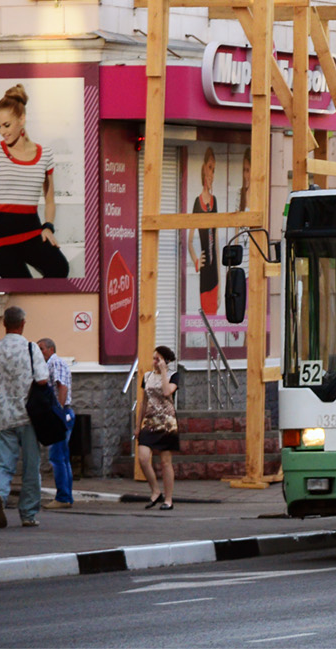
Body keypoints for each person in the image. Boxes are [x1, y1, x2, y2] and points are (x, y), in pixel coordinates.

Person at [0, 85, 70, 278]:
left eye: (6, 125)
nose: (2, 132)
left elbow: (49, 198)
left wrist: (48, 226)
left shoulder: (44, 154)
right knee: (22, 283)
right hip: (0, 235)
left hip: (31, 230)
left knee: (59, 269)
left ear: (21, 120)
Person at [0, 306, 48, 528]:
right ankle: (28, 514)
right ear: (22, 324)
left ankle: (0, 495)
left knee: (3, 464)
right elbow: (42, 380)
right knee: (31, 466)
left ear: (4, 324)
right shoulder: (31, 348)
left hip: (1, 415)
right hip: (28, 416)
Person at [136, 346, 180, 511]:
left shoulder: (173, 376)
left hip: (167, 423)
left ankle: (168, 499)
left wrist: (163, 372)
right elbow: (144, 402)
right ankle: (155, 490)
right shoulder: (147, 376)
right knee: (143, 458)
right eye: (154, 358)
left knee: (165, 462)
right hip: (149, 422)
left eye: (158, 359)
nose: (154, 362)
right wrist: (138, 426)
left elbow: (167, 391)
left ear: (166, 361)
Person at [37, 337, 74, 509]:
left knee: (57, 457)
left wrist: (57, 411)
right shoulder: (53, 363)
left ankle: (63, 497)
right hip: (64, 413)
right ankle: (66, 496)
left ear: (51, 349)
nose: (39, 352)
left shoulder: (55, 363)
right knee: (63, 457)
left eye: (41, 348)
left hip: (61, 412)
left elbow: (62, 387)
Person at [189, 147, 220, 317]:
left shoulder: (214, 202)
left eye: (214, 170)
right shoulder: (197, 203)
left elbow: (215, 241)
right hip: (204, 276)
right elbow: (190, 240)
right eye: (210, 168)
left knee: (213, 318)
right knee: (206, 319)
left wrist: (221, 284)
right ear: (203, 168)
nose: (211, 174)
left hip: (214, 274)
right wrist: (195, 260)